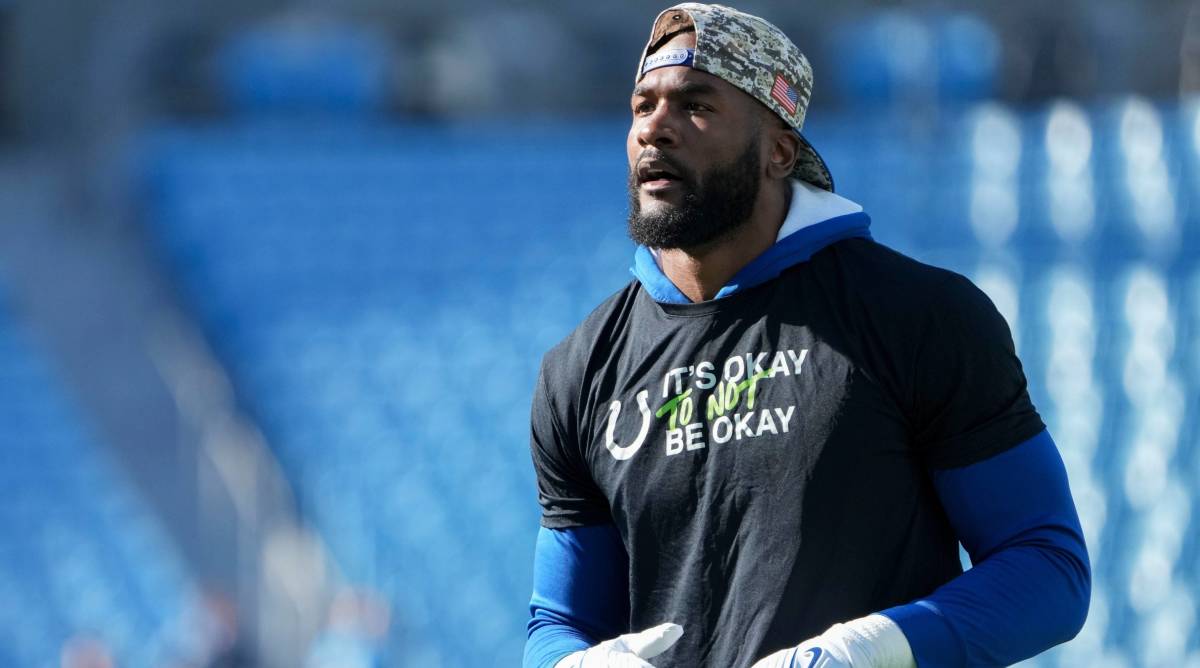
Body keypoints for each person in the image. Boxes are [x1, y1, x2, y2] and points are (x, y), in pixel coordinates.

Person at [523, 4, 1091, 667]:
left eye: (696, 105)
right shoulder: (580, 370)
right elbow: (557, 620)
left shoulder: (916, 314)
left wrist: (872, 651)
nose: (656, 129)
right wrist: (580, 664)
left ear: (779, 150)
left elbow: (1049, 569)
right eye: (642, 106)